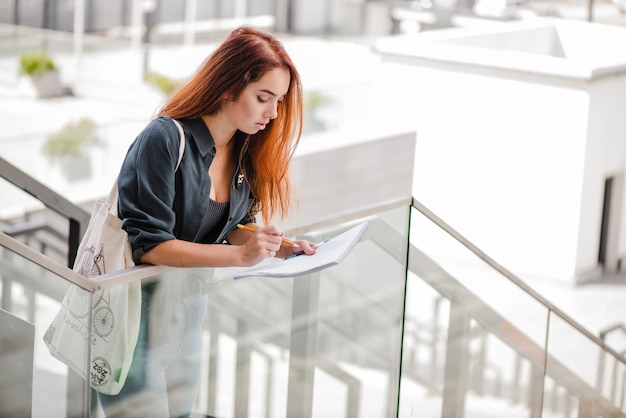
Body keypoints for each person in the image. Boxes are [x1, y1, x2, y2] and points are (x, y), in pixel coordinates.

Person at [97, 26, 315, 417]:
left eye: (278, 101)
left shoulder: (246, 149)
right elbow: (152, 245)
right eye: (263, 98)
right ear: (228, 86)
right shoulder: (164, 139)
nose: (273, 113)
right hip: (135, 311)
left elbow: (230, 224)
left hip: (188, 306)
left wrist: (278, 247)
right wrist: (241, 258)